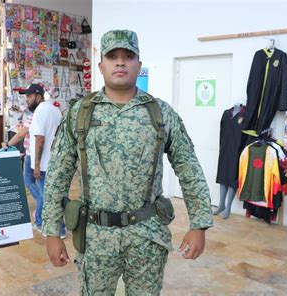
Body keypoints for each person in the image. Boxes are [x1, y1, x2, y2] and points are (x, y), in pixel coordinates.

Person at [42, 30, 213, 295]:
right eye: (112, 56)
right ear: (101, 66)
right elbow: (57, 175)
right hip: (97, 238)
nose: (120, 62)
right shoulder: (79, 113)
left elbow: (188, 168)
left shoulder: (161, 113)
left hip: (147, 236)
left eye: (128, 56)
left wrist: (199, 224)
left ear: (138, 65)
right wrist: (52, 232)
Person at [21, 84, 65, 238]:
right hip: (55, 161)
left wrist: (37, 165)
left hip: (45, 164)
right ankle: (60, 228)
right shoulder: (54, 110)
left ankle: (50, 227)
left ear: (38, 96)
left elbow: (39, 138)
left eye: (30, 97)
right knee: (54, 196)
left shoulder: (40, 111)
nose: (28, 100)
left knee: (46, 197)